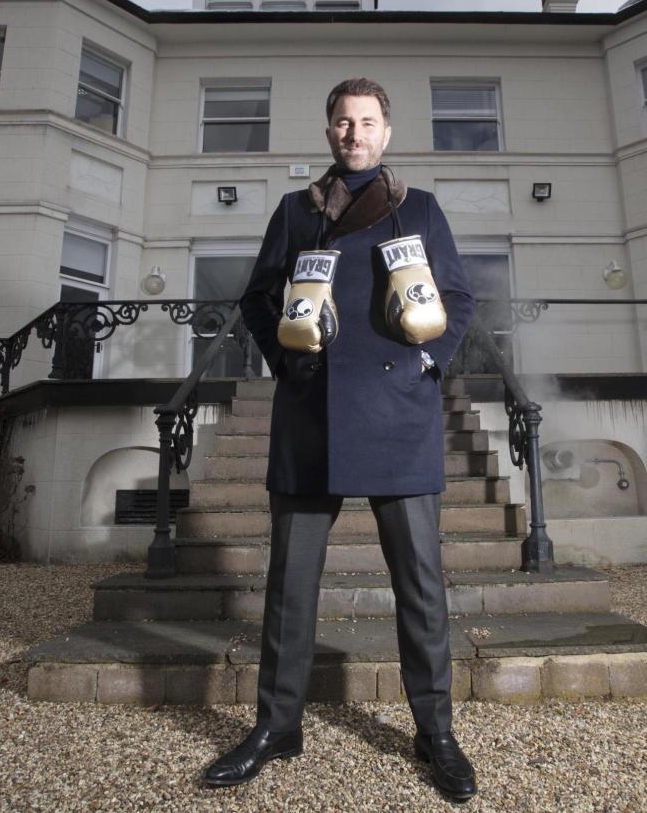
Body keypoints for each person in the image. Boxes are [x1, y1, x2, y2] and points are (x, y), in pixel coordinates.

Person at [203, 77, 478, 801]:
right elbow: (259, 296)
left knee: (419, 585)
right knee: (291, 587)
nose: (355, 133)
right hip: (312, 413)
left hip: (399, 413)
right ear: (329, 133)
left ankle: (436, 732)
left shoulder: (418, 208)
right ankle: (276, 725)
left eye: (368, 121)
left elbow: (460, 297)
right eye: (343, 122)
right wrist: (288, 362)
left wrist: (429, 365)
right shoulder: (298, 211)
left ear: (386, 133)